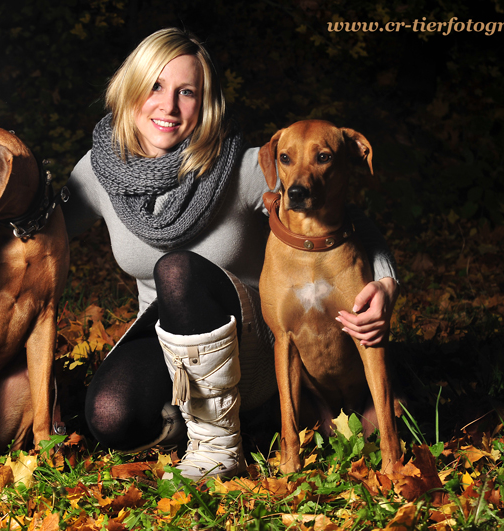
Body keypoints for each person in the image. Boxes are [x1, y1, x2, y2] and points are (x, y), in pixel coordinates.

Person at [61, 28, 399, 480]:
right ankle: (203, 420)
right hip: (167, 340)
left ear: (206, 103)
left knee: (177, 268)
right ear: (131, 88)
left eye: (187, 92)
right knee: (109, 416)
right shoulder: (98, 170)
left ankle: (220, 443)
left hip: (253, 341)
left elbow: (344, 217)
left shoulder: (240, 166)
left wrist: (386, 283)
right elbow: (40, 231)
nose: (169, 105)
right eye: (155, 86)